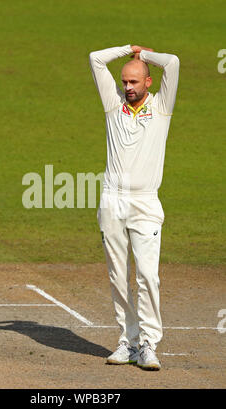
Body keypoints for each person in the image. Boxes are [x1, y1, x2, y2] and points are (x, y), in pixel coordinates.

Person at [89, 44, 179, 370]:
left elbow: (174, 63)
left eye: (134, 82)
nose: (127, 87)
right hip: (112, 199)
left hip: (145, 202)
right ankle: (127, 341)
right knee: (117, 275)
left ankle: (148, 345)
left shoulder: (162, 108)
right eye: (124, 82)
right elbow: (95, 59)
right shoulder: (113, 105)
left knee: (147, 275)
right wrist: (128, 49)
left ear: (148, 82)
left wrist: (145, 55)